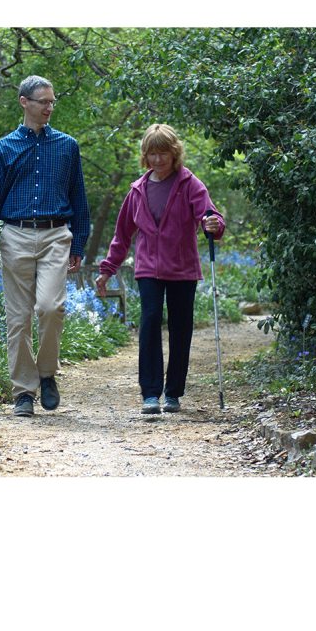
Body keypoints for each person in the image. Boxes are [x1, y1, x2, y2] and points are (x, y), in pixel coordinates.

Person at [0, 75, 90, 418]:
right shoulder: (3, 149)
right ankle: (24, 392)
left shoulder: (67, 146)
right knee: (18, 318)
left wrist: (78, 243)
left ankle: (46, 373)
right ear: (24, 102)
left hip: (56, 235)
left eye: (52, 102)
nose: (49, 107)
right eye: (43, 101)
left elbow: (79, 199)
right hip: (15, 235)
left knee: (51, 308)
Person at [96, 123, 225, 415]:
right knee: (150, 321)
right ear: (145, 155)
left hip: (182, 268)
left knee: (181, 328)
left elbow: (210, 217)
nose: (157, 160)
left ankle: (174, 393)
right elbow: (122, 235)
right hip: (148, 269)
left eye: (163, 153)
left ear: (174, 153)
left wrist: (213, 225)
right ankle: (150, 393)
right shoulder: (138, 190)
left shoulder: (190, 184)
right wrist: (107, 270)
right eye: (152, 154)